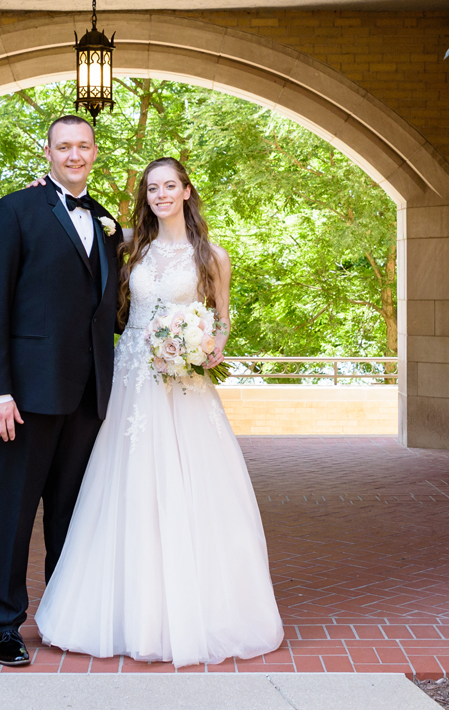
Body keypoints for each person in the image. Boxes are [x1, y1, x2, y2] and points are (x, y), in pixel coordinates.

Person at [32, 156, 285, 666]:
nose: (161, 195)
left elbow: (222, 318)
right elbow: (72, 222)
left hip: (183, 385)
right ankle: (126, 610)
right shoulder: (130, 244)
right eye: (152, 188)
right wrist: (45, 189)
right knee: (125, 487)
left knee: (189, 487)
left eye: (170, 186)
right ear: (146, 196)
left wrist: (210, 346)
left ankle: (193, 613)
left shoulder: (212, 254)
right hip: (131, 379)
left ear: (187, 191)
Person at [0, 114, 121, 668]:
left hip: (86, 397)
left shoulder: (106, 222)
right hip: (22, 399)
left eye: (83, 146)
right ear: (48, 151)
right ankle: (3, 623)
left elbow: (110, 310)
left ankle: (61, 614)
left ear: (95, 152)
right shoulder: (15, 210)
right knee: (9, 513)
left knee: (69, 514)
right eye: (64, 147)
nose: (74, 155)